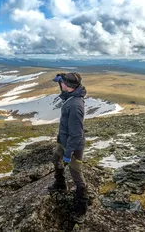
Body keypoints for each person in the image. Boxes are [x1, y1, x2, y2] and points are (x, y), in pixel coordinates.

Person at [49, 72, 88, 222]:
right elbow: (64, 87)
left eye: (63, 83)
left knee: (76, 174)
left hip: (74, 146)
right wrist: (61, 79)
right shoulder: (71, 95)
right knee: (55, 159)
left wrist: (69, 152)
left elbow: (77, 134)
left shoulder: (75, 105)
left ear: (69, 86)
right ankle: (60, 185)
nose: (61, 84)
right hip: (64, 141)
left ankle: (81, 209)